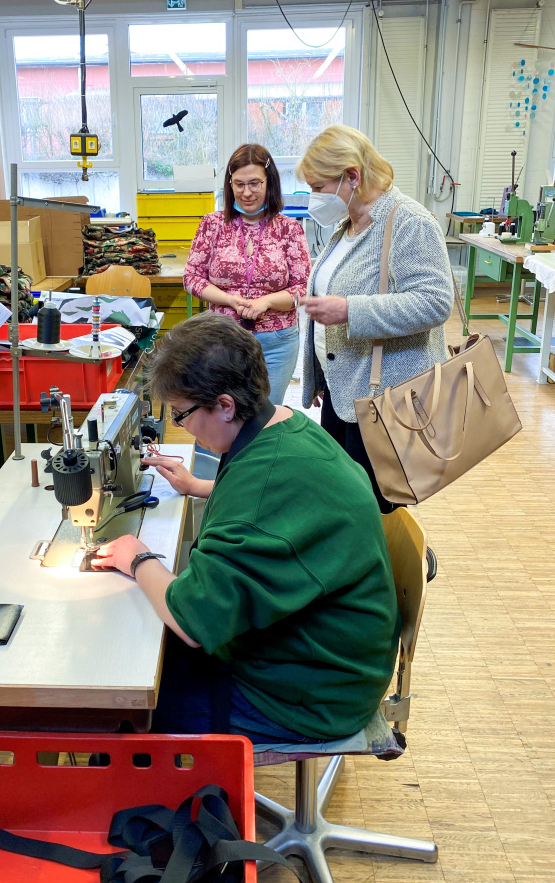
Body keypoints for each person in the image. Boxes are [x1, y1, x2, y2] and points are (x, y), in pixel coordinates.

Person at [93, 314, 399, 744]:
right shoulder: (287, 425)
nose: (180, 426)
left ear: (224, 405)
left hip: (312, 697)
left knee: (126, 706)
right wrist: (200, 486)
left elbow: (192, 621)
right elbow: (278, 502)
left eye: (181, 414)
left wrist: (137, 557)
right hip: (334, 656)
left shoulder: (259, 495)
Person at [296, 125, 453, 513]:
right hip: (345, 391)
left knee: (374, 507)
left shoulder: (408, 222)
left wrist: (349, 309)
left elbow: (434, 302)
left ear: (352, 176)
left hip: (384, 399)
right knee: (347, 501)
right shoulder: (348, 225)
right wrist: (320, 374)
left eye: (319, 186)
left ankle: (397, 565)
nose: (314, 198)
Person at [182, 144, 310, 406]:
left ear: (269, 182)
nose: (246, 192)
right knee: (222, 416)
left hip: (277, 344)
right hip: (222, 339)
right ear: (229, 184)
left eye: (254, 183)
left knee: (265, 418)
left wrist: (267, 302)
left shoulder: (289, 229)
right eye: (239, 184)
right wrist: (229, 300)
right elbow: (191, 278)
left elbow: (303, 288)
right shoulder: (212, 224)